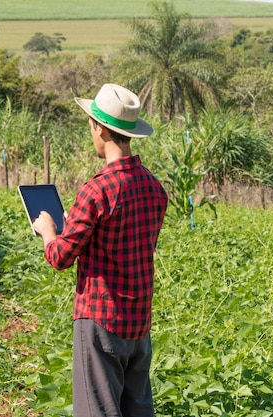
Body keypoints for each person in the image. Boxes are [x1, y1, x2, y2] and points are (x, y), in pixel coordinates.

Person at [32, 83, 168, 417]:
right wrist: (77, 223)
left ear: (99, 129)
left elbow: (60, 257)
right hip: (138, 325)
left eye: (91, 125)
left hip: (102, 321)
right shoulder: (153, 187)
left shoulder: (97, 189)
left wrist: (50, 232)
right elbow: (130, 241)